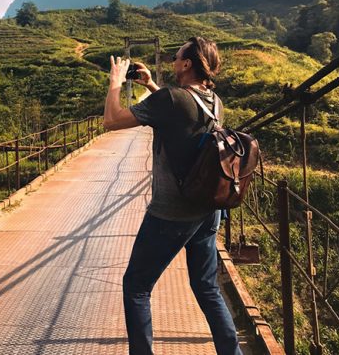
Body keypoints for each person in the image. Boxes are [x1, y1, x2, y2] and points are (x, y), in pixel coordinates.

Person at [103, 37, 242, 354]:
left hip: (172, 213)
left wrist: (114, 82)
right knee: (207, 287)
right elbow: (184, 116)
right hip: (208, 210)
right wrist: (152, 84)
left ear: (187, 64)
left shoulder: (170, 99)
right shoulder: (214, 101)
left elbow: (111, 121)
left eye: (176, 56)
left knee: (136, 287)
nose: (172, 61)